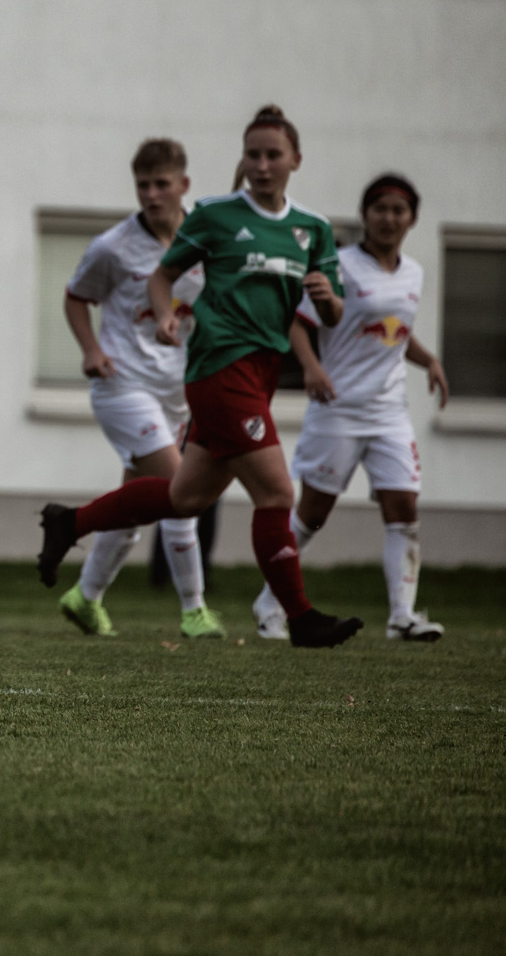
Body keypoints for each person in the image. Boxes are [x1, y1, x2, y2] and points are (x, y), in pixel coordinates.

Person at [36, 105, 365, 648]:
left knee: (183, 498)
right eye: (252, 154)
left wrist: (330, 303)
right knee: (278, 493)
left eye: (272, 155)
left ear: (295, 161)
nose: (261, 165)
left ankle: (69, 525)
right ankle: (288, 614)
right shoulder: (205, 219)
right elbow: (155, 279)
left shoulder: (313, 229)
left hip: (243, 374)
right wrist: (148, 320)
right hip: (212, 370)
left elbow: (331, 315)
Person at [255, 173, 451, 642]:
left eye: (398, 210)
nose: (388, 218)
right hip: (337, 407)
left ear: (413, 219)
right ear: (364, 215)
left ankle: (402, 616)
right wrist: (310, 367)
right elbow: (299, 325)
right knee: (313, 512)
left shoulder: (414, 274)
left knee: (403, 504)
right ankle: (269, 602)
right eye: (379, 208)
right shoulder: (338, 265)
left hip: (389, 412)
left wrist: (430, 361)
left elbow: (392, 333)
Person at [51, 139, 225, 639]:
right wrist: (90, 349)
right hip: (121, 386)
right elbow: (75, 298)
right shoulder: (113, 247)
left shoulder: (204, 238)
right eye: (143, 185)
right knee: (182, 491)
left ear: (183, 186)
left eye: (161, 184)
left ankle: (85, 597)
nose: (151, 194)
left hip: (176, 393)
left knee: (137, 504)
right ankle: (194, 610)